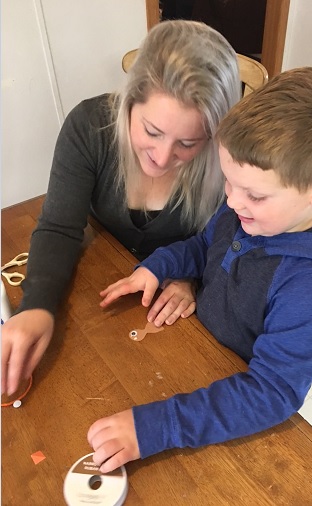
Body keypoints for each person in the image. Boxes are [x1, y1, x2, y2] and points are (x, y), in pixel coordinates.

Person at [87, 67, 312, 473]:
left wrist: (156, 427)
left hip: (239, 391)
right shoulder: (248, 210)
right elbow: (206, 246)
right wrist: (158, 267)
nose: (233, 203)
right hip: (203, 349)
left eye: (254, 194)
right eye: (229, 183)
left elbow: (270, 393)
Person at [1, 20, 242, 397]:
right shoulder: (88, 128)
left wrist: (189, 278)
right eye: (152, 131)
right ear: (129, 101)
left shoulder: (230, 165)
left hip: (172, 315)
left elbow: (225, 245)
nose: (163, 159)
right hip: (103, 278)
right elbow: (59, 228)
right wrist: (37, 306)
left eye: (188, 143)